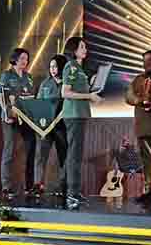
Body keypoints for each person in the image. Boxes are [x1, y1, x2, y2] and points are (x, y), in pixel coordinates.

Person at [61, 37, 103, 208]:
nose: (85, 49)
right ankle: (72, 192)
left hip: (80, 114)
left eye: (85, 46)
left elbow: (80, 89)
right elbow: (65, 92)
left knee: (76, 154)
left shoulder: (79, 68)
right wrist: (89, 96)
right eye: (82, 47)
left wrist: (92, 87)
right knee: (74, 155)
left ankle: (73, 191)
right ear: (74, 50)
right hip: (73, 114)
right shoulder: (70, 66)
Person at [125, 50, 151, 205]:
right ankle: (149, 192)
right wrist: (138, 100)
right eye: (144, 61)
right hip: (141, 127)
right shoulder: (138, 79)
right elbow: (128, 96)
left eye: (150, 60)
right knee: (146, 162)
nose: (147, 64)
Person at [0, 48, 37, 197]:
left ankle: (29, 186)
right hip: (10, 117)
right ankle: (6, 187)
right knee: (9, 151)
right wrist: (6, 113)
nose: (24, 61)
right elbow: (2, 96)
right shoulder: (6, 75)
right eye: (21, 58)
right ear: (14, 59)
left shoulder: (29, 77)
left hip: (26, 118)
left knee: (31, 150)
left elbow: (32, 97)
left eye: (26, 59)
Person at [34, 54, 68, 197]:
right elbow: (38, 103)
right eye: (51, 67)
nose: (53, 69)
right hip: (45, 127)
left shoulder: (68, 84)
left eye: (55, 66)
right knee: (40, 157)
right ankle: (38, 185)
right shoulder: (45, 84)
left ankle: (65, 186)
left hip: (62, 126)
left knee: (64, 157)